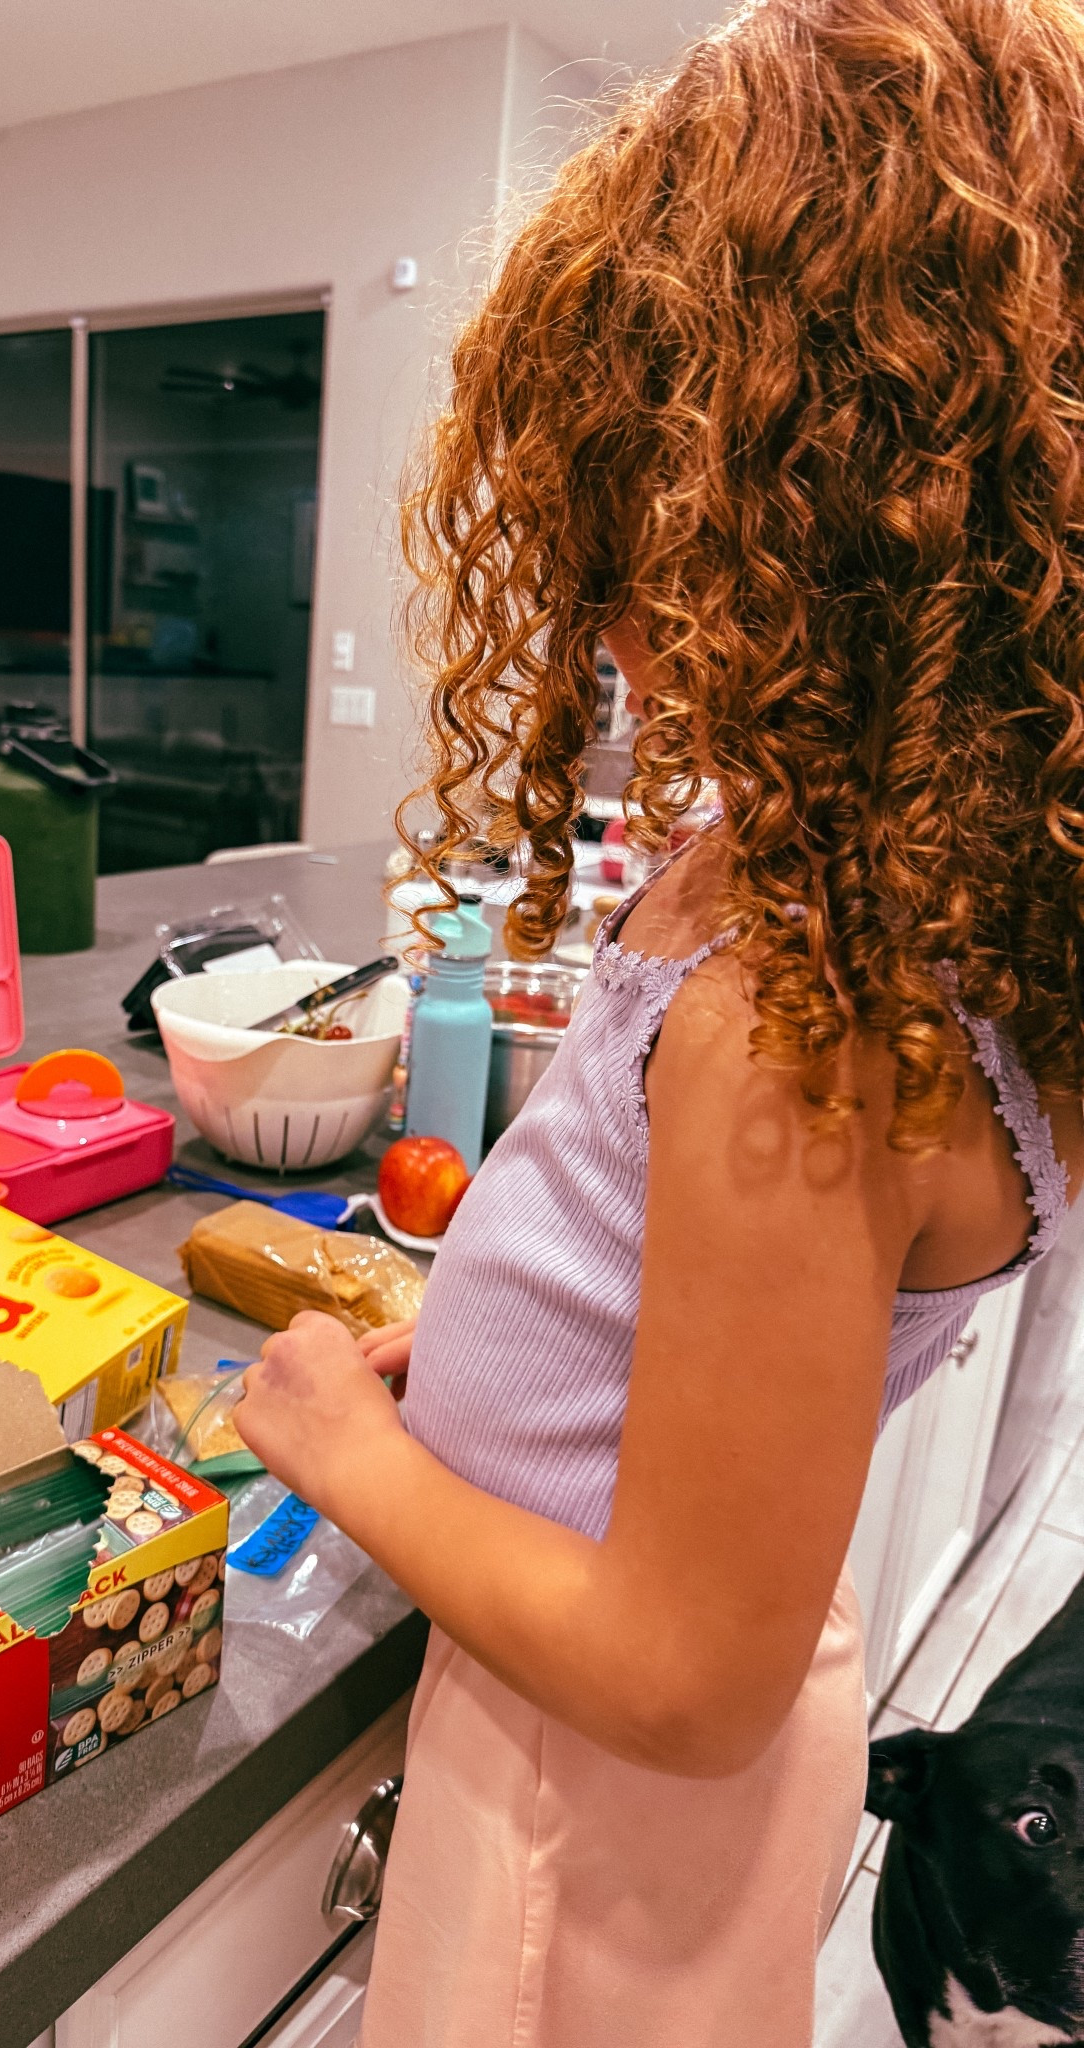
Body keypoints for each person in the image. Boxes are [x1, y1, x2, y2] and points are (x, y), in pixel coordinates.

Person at [233, 0, 1084, 2038]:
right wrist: (510, 1343)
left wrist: (353, 1447)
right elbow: (681, 1299)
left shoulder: (804, 1020)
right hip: (641, 1740)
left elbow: (684, 1676)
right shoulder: (910, 895)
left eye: (641, 537)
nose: (611, 624)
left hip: (586, 1786)